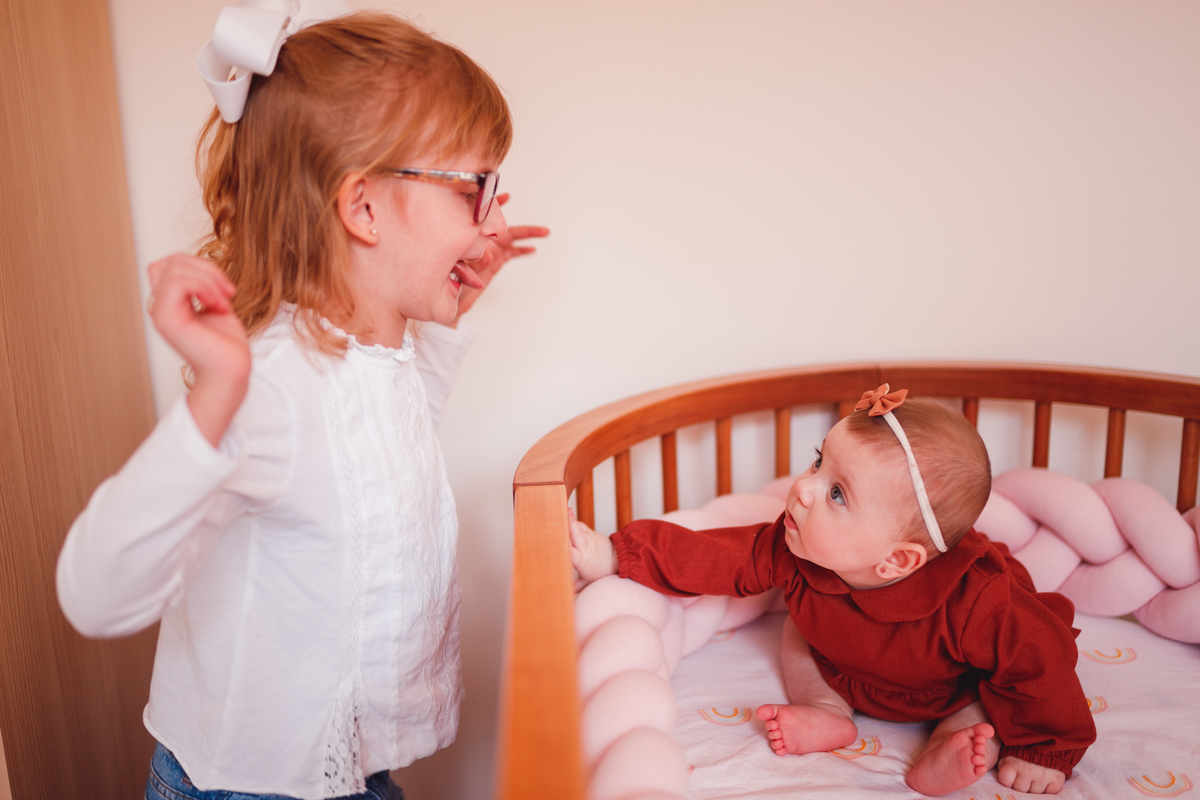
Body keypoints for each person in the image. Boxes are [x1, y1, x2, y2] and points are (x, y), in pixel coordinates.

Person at [56, 10, 548, 800]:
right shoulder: (269, 386)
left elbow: (377, 466)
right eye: (474, 189)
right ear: (363, 209)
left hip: (342, 772)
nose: (492, 219)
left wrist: (452, 310)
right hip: (249, 787)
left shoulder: (368, 356)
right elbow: (94, 592)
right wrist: (219, 394)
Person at [569, 386, 1096, 796]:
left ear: (896, 560)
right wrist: (614, 554)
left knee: (985, 710)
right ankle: (827, 711)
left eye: (837, 493)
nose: (802, 488)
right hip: (839, 669)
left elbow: (1040, 663)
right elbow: (711, 555)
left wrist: (1046, 749)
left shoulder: (979, 600)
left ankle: (942, 748)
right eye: (819, 461)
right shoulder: (794, 548)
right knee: (796, 634)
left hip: (948, 690)